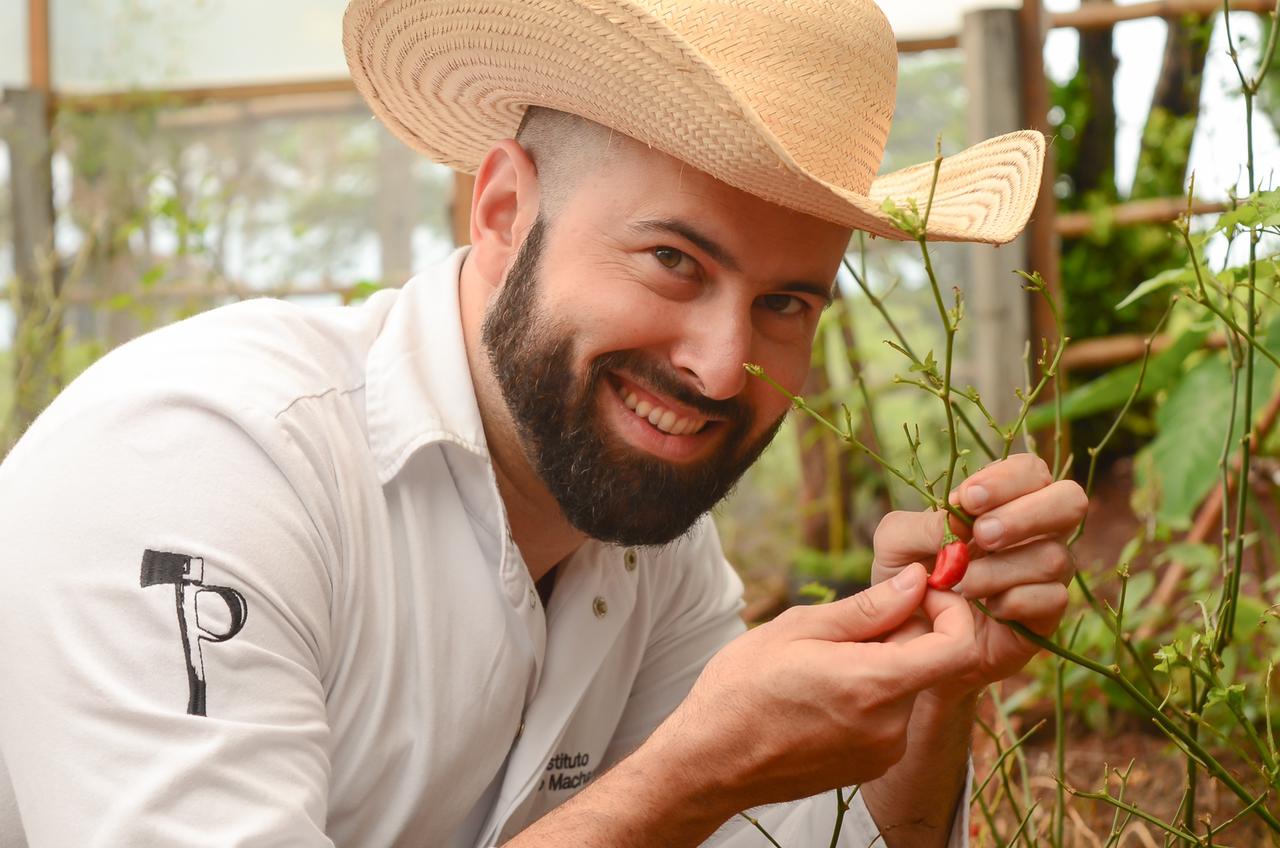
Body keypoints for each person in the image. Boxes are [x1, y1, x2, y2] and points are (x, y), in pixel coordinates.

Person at [0, 0, 1087, 845]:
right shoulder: (205, 464)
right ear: (504, 211)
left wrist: (929, 682)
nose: (718, 363)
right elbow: (688, 795)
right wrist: (684, 774)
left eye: (785, 302)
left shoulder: (640, 546)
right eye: (674, 259)